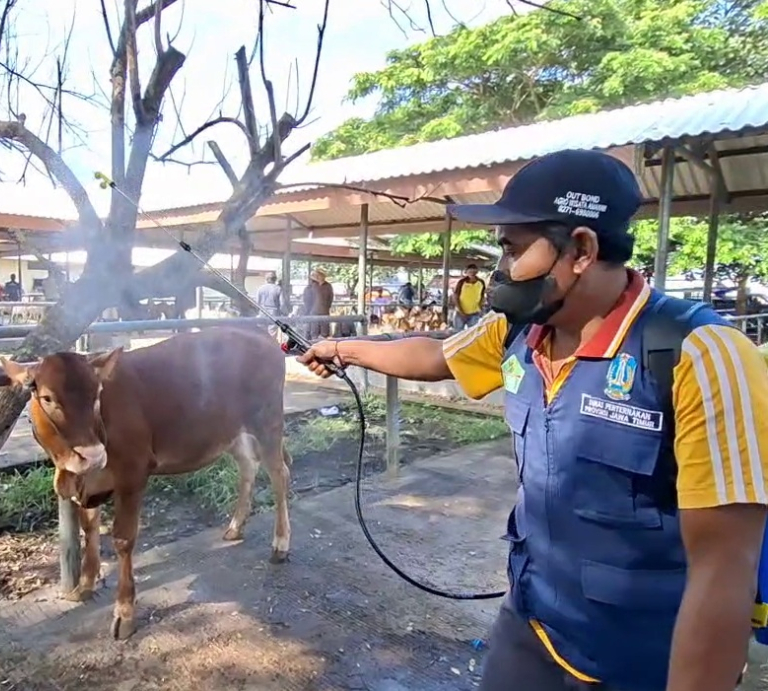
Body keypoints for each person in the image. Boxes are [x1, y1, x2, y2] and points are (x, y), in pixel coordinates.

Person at [297, 149, 768, 691]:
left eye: (513, 249)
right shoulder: (521, 332)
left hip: (642, 657)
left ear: (582, 250)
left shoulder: (700, 354)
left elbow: (724, 568)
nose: (501, 269)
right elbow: (435, 356)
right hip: (533, 621)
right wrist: (342, 347)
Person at [452, 263, 485, 330]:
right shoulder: (461, 282)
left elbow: (482, 296)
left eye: (474, 272)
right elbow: (455, 297)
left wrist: (481, 308)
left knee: (472, 333)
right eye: (470, 272)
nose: (472, 274)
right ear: (466, 272)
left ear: (477, 272)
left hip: (474, 313)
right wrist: (461, 311)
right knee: (457, 333)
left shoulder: (481, 282)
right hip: (460, 313)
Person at [256, 271, 283, 336]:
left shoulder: (260, 288)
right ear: (275, 279)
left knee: (262, 332)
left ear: (266, 279)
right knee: (272, 333)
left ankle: (261, 345)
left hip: (262, 312)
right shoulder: (278, 289)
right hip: (274, 313)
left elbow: (257, 302)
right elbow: (282, 304)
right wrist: (283, 313)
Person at [310, 268, 334, 339]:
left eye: (319, 275)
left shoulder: (328, 286)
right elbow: (308, 299)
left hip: (324, 311)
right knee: (314, 332)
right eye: (316, 275)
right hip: (314, 312)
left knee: (325, 332)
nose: (318, 277)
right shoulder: (313, 285)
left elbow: (330, 298)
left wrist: (327, 307)